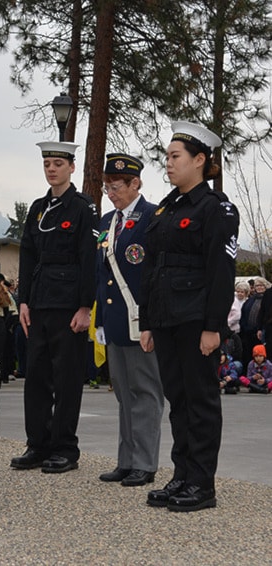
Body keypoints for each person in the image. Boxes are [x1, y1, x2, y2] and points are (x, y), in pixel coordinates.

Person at [139, 121, 239, 512]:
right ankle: (181, 476)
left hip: (196, 319)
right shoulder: (166, 208)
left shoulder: (216, 209)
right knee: (177, 400)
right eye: (166, 156)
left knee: (200, 402)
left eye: (175, 156)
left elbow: (220, 272)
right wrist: (146, 321)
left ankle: (202, 483)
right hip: (165, 318)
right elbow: (150, 267)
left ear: (200, 160)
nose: (168, 163)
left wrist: (213, 326)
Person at [10, 140, 99, 474]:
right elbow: (28, 255)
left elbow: (89, 258)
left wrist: (84, 306)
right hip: (40, 302)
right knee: (36, 378)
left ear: (71, 167)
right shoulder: (37, 208)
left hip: (67, 306)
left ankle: (64, 447)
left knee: (66, 378)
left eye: (58, 164)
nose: (51, 169)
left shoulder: (82, 207)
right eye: (47, 163)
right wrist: (24, 302)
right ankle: (38, 444)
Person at [95, 153, 164, 487]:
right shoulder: (107, 221)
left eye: (117, 186)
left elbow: (153, 276)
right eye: (107, 186)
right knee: (123, 393)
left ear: (136, 183)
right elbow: (102, 273)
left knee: (145, 392)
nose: (111, 192)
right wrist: (100, 320)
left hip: (141, 321)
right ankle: (126, 459)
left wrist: (151, 320)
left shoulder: (152, 218)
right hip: (115, 320)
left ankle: (145, 462)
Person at [239, 277, 268, 368]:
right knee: (248, 354)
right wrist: (244, 326)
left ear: (265, 286)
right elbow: (243, 314)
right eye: (257, 286)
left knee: (261, 355)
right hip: (247, 332)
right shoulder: (250, 300)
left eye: (261, 285)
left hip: (262, 333)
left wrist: (260, 328)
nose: (259, 287)